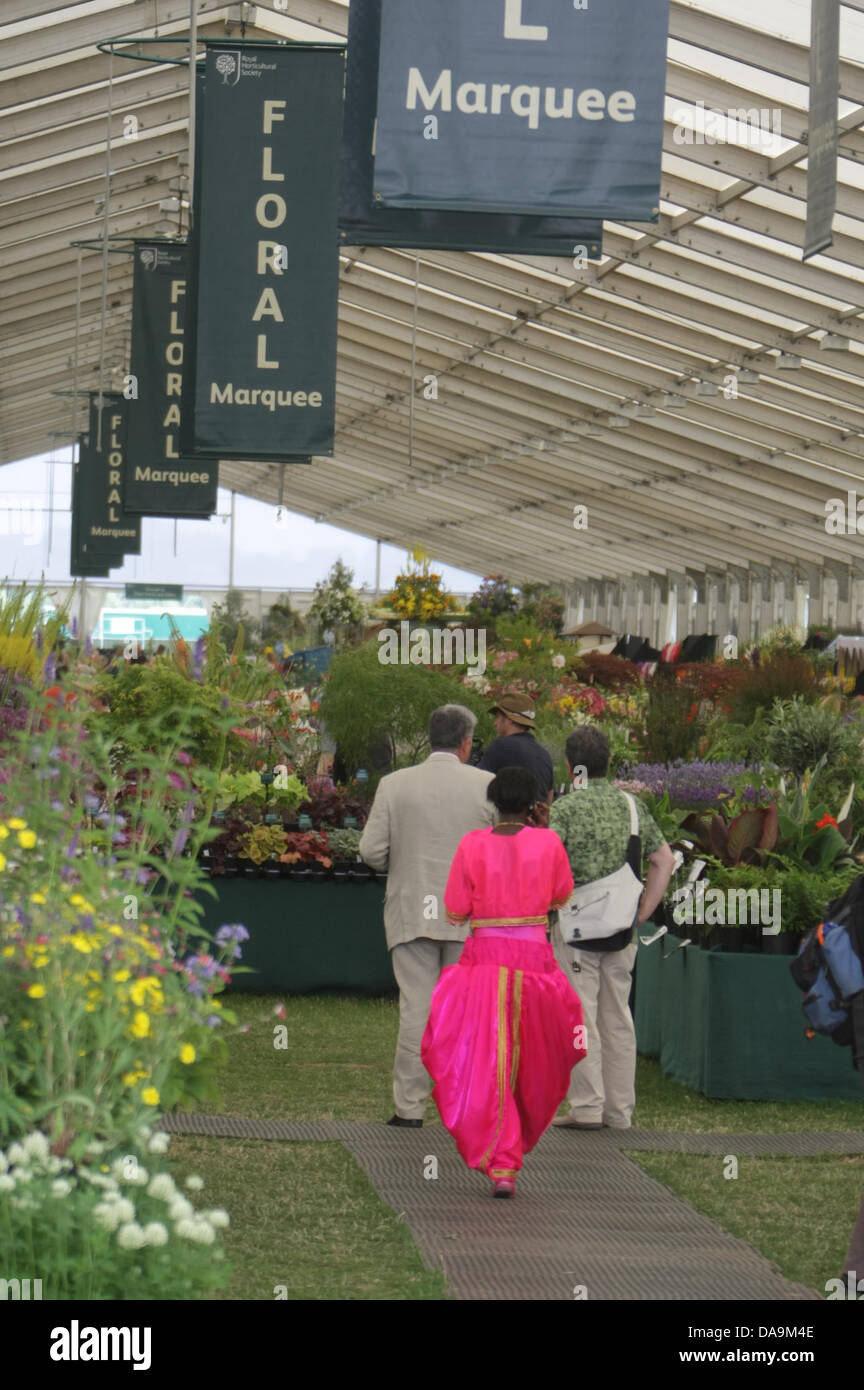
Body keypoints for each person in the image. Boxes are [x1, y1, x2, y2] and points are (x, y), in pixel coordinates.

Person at [421, 767, 585, 1198]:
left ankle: (501, 1162)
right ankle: (510, 1156)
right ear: (533, 802)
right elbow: (561, 895)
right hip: (536, 966)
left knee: (484, 1062)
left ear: (494, 803)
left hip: (484, 967)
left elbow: (455, 910)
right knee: (533, 1063)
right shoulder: (548, 841)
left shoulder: (472, 844)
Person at [358, 705, 495, 1127]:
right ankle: (463, 1104)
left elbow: (370, 852)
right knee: (464, 1013)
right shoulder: (487, 785)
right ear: (467, 743)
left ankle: (409, 1109)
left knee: (416, 1007)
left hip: (413, 906)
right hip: (468, 917)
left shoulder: (395, 784)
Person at [549, 727, 675, 1130]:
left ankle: (586, 1105)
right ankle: (619, 1112)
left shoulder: (565, 809)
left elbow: (548, 866)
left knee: (580, 1016)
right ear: (609, 762)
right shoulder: (633, 805)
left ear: (571, 766)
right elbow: (664, 860)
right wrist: (644, 910)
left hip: (575, 930)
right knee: (617, 1017)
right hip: (623, 930)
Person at [478, 691, 554, 798]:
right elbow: (549, 797)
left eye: (498, 718)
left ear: (510, 720)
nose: (495, 724)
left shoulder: (499, 746)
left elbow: (478, 785)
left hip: (507, 814)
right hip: (537, 814)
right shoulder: (545, 755)